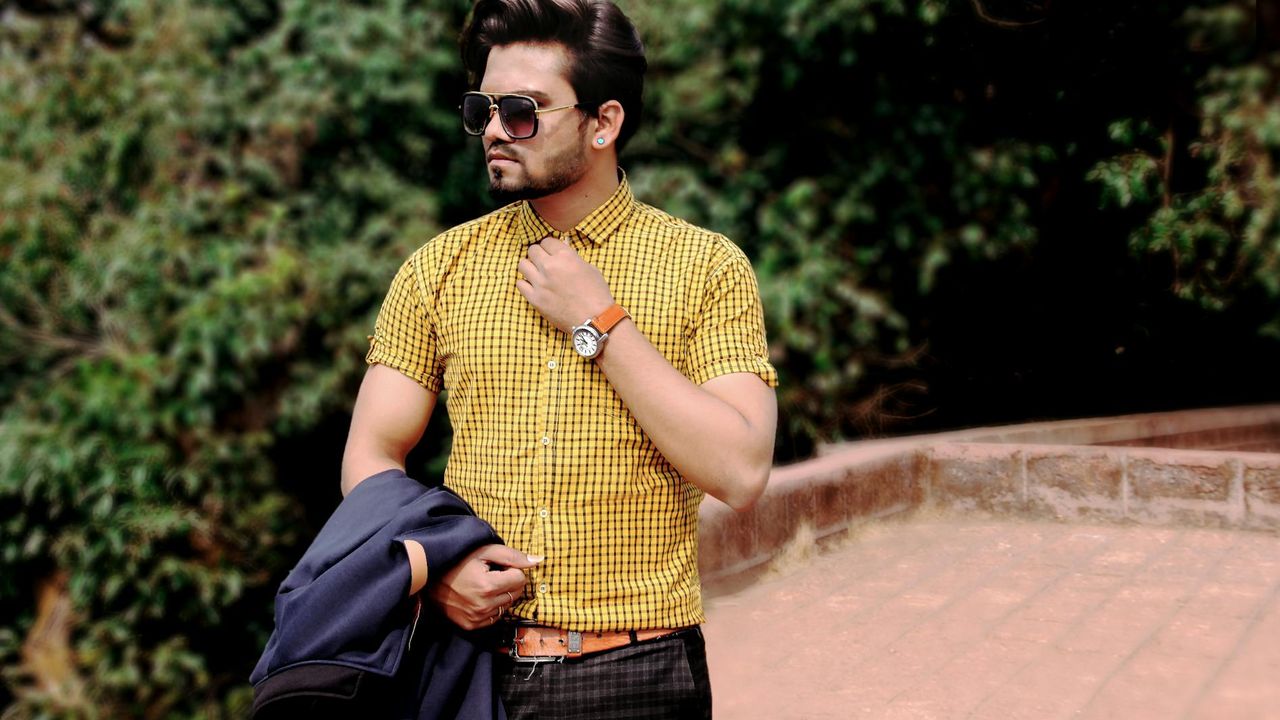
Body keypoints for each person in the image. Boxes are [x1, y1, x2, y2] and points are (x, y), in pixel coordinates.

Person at [341, 0, 778, 716]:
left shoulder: (705, 267)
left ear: (603, 122)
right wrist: (434, 567)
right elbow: (372, 453)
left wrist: (598, 321)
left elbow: (741, 469)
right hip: (465, 667)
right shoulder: (439, 269)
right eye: (482, 109)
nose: (493, 130)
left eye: (521, 111)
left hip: (637, 671)